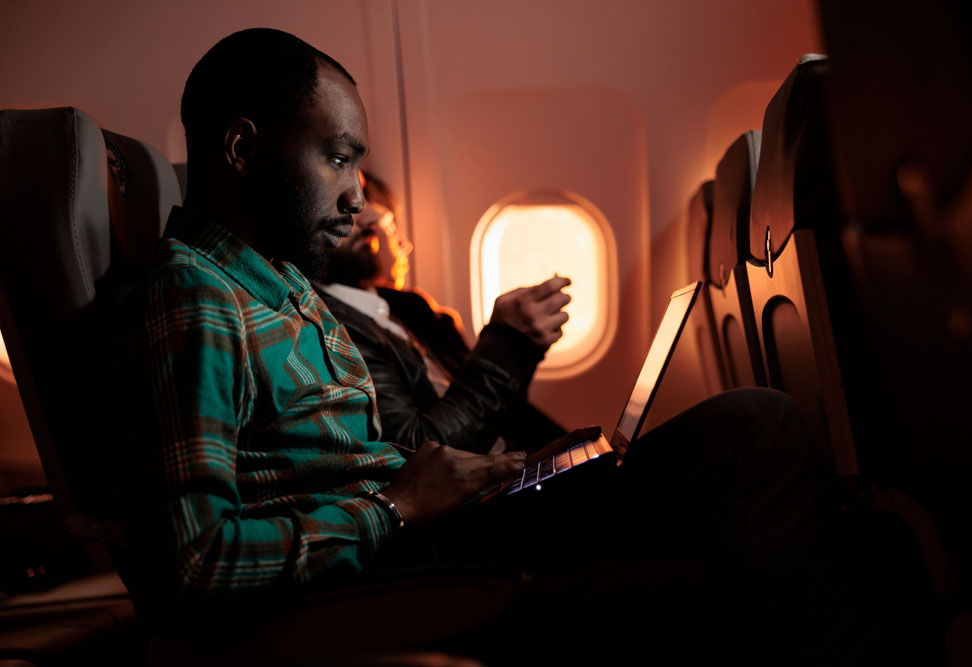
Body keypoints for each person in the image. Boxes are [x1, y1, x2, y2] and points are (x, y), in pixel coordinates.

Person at [112, 27, 896, 665]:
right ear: (243, 148)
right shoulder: (200, 297)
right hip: (395, 580)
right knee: (748, 500)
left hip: (445, 532)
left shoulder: (279, 285)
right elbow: (194, 565)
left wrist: (480, 479)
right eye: (340, 157)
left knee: (752, 436)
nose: (357, 194)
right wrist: (395, 507)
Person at [311, 172, 566, 454]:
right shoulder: (334, 327)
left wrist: (522, 350)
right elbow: (421, 449)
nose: (370, 218)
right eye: (340, 200)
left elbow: (491, 410)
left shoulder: (391, 308)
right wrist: (507, 344)